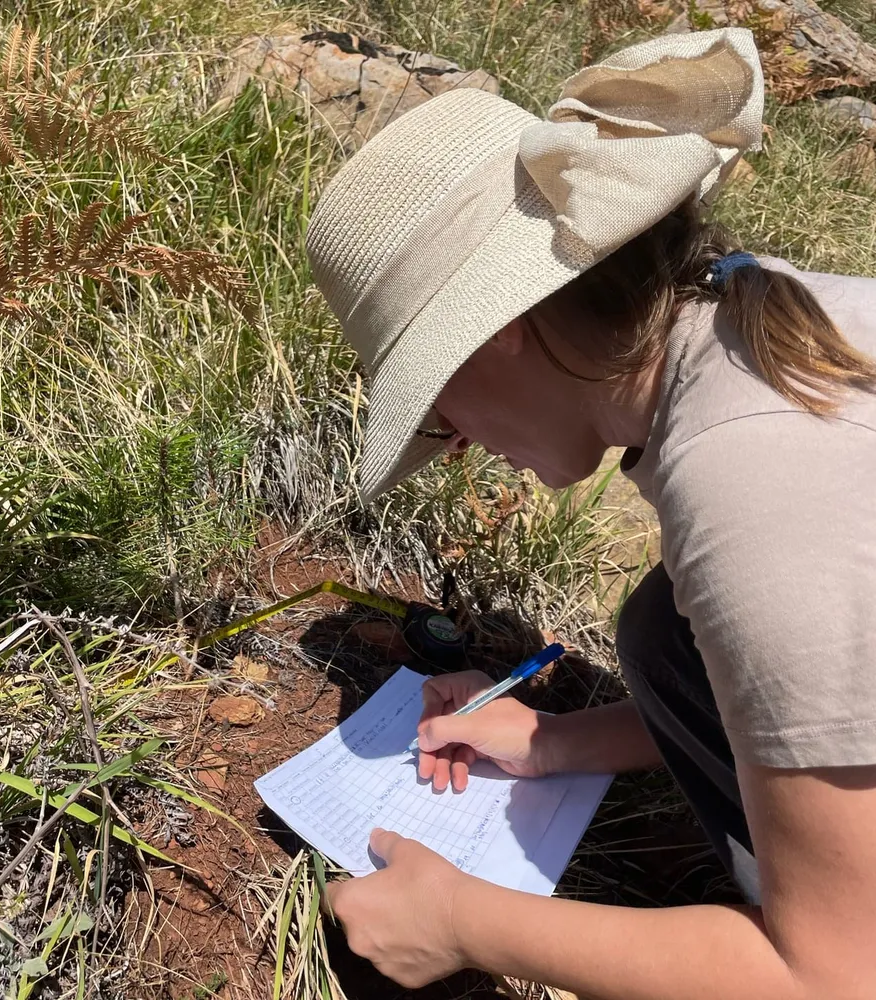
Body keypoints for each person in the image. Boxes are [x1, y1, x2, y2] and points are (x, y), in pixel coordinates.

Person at [303, 26, 876, 999]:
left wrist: (460, 921)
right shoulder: (761, 322)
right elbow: (804, 696)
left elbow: (835, 976)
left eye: (433, 408)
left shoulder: (752, 482)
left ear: (499, 333)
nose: (455, 444)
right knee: (662, 630)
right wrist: (548, 743)